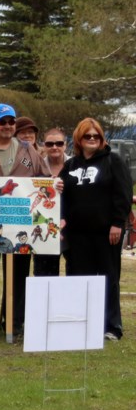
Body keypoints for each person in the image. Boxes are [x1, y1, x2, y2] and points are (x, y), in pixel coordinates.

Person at [0, 103, 46, 338]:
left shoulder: (27, 149)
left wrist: (52, 186)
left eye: (11, 122)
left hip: (19, 220)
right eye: (3, 121)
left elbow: (43, 177)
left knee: (18, 271)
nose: (7, 126)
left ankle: (14, 321)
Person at [59, 118, 131, 341]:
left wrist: (118, 223)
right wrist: (56, 188)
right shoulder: (70, 166)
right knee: (80, 278)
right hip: (77, 234)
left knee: (108, 277)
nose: (92, 139)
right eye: (87, 136)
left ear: (102, 139)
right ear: (79, 139)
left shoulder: (113, 161)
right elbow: (61, 196)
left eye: (96, 136)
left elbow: (123, 193)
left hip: (106, 232)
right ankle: (83, 322)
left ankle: (111, 326)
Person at [33, 127, 70, 278]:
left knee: (75, 273)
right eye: (49, 144)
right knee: (44, 274)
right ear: (44, 145)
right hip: (44, 226)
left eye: (59, 143)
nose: (54, 147)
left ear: (65, 145)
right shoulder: (37, 166)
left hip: (71, 227)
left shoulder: (76, 165)